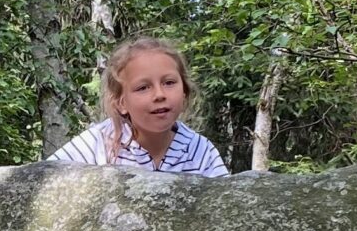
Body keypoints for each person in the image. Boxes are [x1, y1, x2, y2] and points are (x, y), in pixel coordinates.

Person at [47, 35, 230, 175]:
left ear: (184, 92)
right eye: (143, 88)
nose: (159, 95)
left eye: (169, 82)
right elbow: (44, 180)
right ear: (121, 103)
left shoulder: (200, 151)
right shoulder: (98, 144)